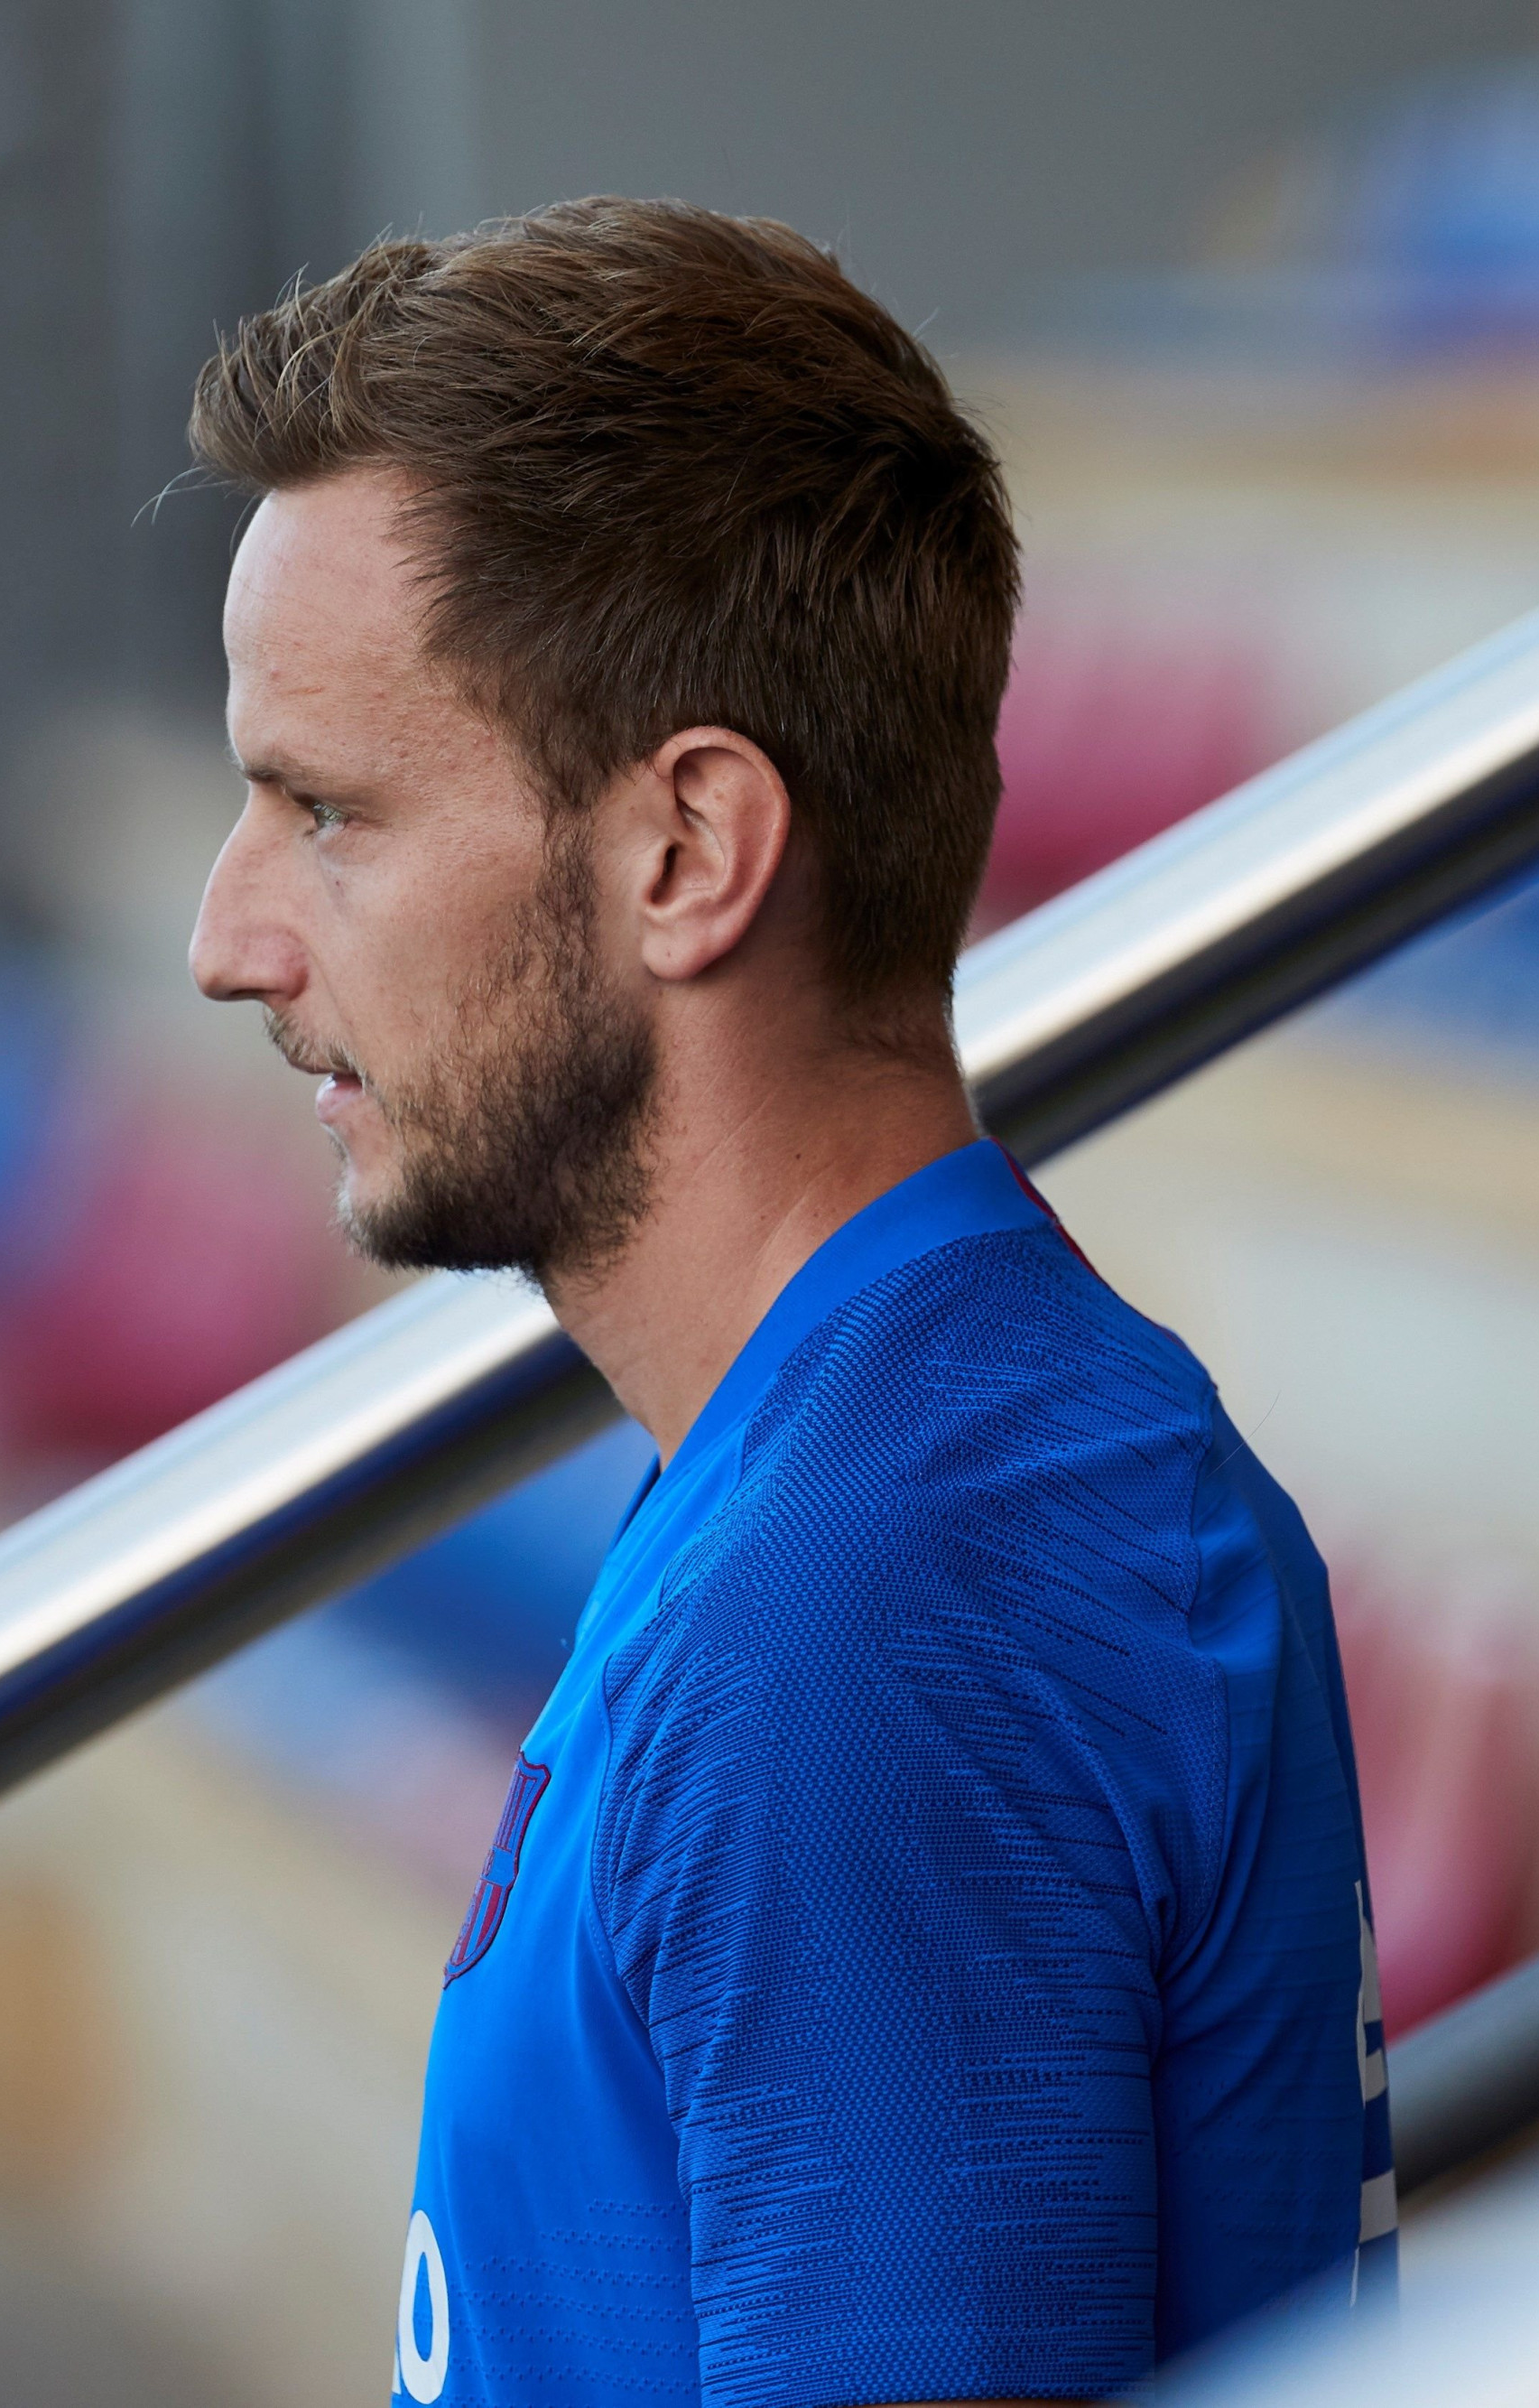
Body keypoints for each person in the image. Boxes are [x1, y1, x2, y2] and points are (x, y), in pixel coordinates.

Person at [186, 197, 1391, 2408]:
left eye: (325, 813)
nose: (228, 935)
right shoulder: (871, 1467)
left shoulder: (875, 1606)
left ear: (686, 853)